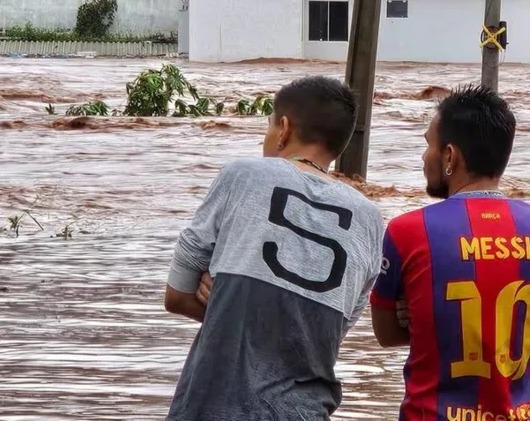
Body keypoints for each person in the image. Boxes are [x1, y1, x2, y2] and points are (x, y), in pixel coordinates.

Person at [163, 75, 384, 421]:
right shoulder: (370, 220)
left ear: (283, 129)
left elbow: (176, 296)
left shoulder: (244, 174)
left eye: (267, 126)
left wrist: (228, 300)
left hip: (214, 405)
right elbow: (327, 333)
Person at [370, 85, 530, 421]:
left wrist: (422, 314)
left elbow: (386, 334)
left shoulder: (407, 231)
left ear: (450, 156)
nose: (423, 157)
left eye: (427, 145)